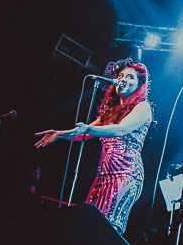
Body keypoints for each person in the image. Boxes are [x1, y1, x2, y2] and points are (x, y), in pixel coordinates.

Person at [35, 58, 153, 234]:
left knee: (108, 226)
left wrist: (88, 128)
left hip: (126, 174)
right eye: (120, 76)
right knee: (89, 224)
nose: (123, 79)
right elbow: (84, 133)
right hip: (103, 176)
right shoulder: (110, 112)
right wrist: (60, 134)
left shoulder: (143, 107)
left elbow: (120, 129)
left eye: (130, 77)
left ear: (139, 84)